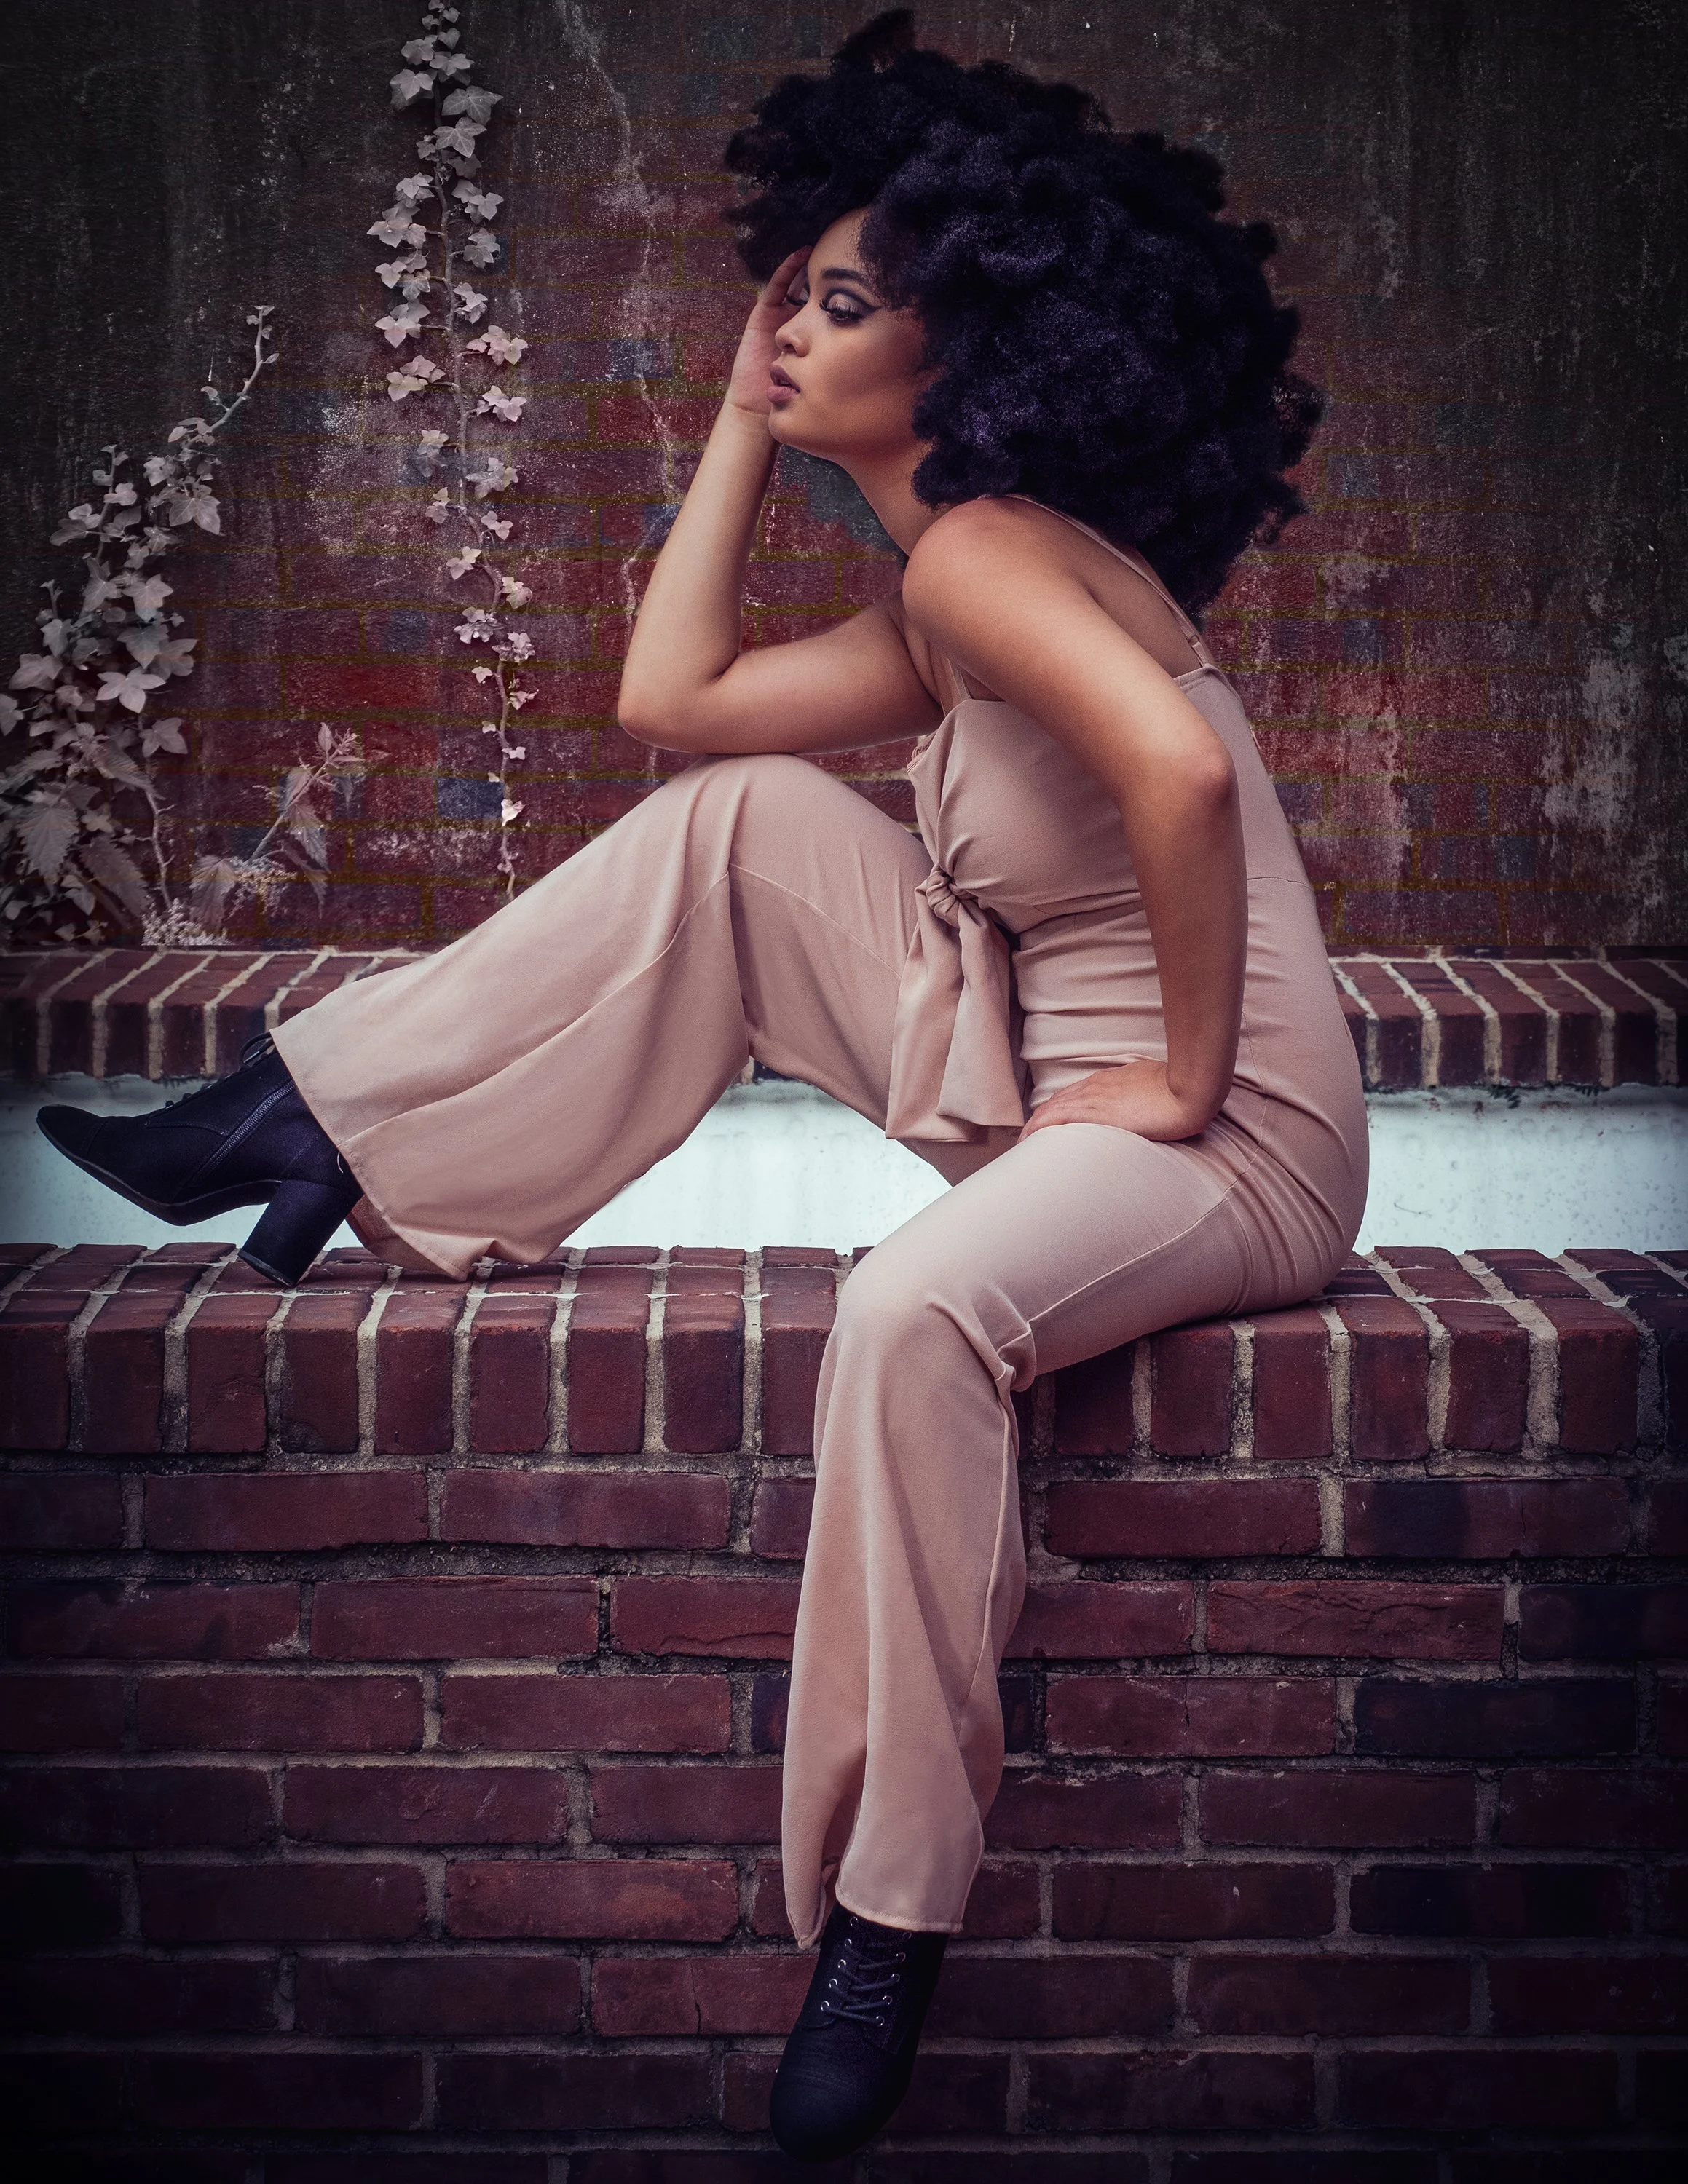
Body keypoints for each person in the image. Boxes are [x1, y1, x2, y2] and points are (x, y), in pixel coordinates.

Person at [37, 10, 1367, 2162]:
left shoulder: (981, 555)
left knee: (914, 1307)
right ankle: (310, 1117)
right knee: (741, 826)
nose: (789, 332)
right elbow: (677, 706)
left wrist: (1182, 1074)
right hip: (1050, 1065)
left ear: (967, 352)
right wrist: (737, 423)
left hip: (1227, 1141)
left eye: (837, 308)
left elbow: (1186, 772)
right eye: (789, 296)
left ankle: (884, 1913)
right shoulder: (938, 579)